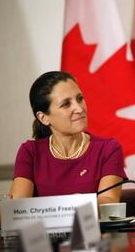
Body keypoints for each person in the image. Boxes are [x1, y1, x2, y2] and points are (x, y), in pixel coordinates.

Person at [10, 71, 127, 205]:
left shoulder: (108, 149)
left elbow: (109, 202)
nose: (79, 108)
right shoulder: (30, 152)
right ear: (44, 118)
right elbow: (16, 208)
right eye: (66, 104)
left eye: (79, 99)